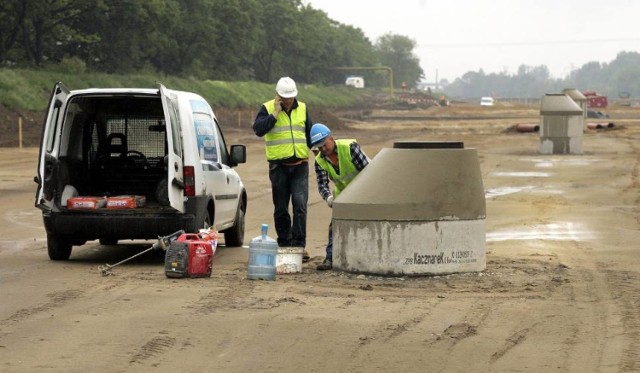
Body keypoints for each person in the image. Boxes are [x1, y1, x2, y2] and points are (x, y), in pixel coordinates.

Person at [252, 77, 313, 261]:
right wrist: (275, 115)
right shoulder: (267, 108)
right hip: (278, 168)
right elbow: (258, 130)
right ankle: (285, 244)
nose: (288, 101)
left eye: (290, 97)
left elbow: (310, 134)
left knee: (300, 206)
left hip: (300, 166)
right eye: (284, 97)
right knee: (281, 208)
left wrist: (318, 152)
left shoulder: (302, 108)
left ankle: (299, 246)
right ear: (277, 95)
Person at [310, 123, 369, 270]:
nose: (323, 149)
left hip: (365, 190)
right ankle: (330, 258)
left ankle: (365, 257)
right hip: (343, 194)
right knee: (334, 226)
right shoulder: (320, 161)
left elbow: (368, 172)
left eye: (325, 145)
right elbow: (322, 184)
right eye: (320, 147)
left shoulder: (349, 148)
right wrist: (329, 198)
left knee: (366, 224)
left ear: (331, 138)